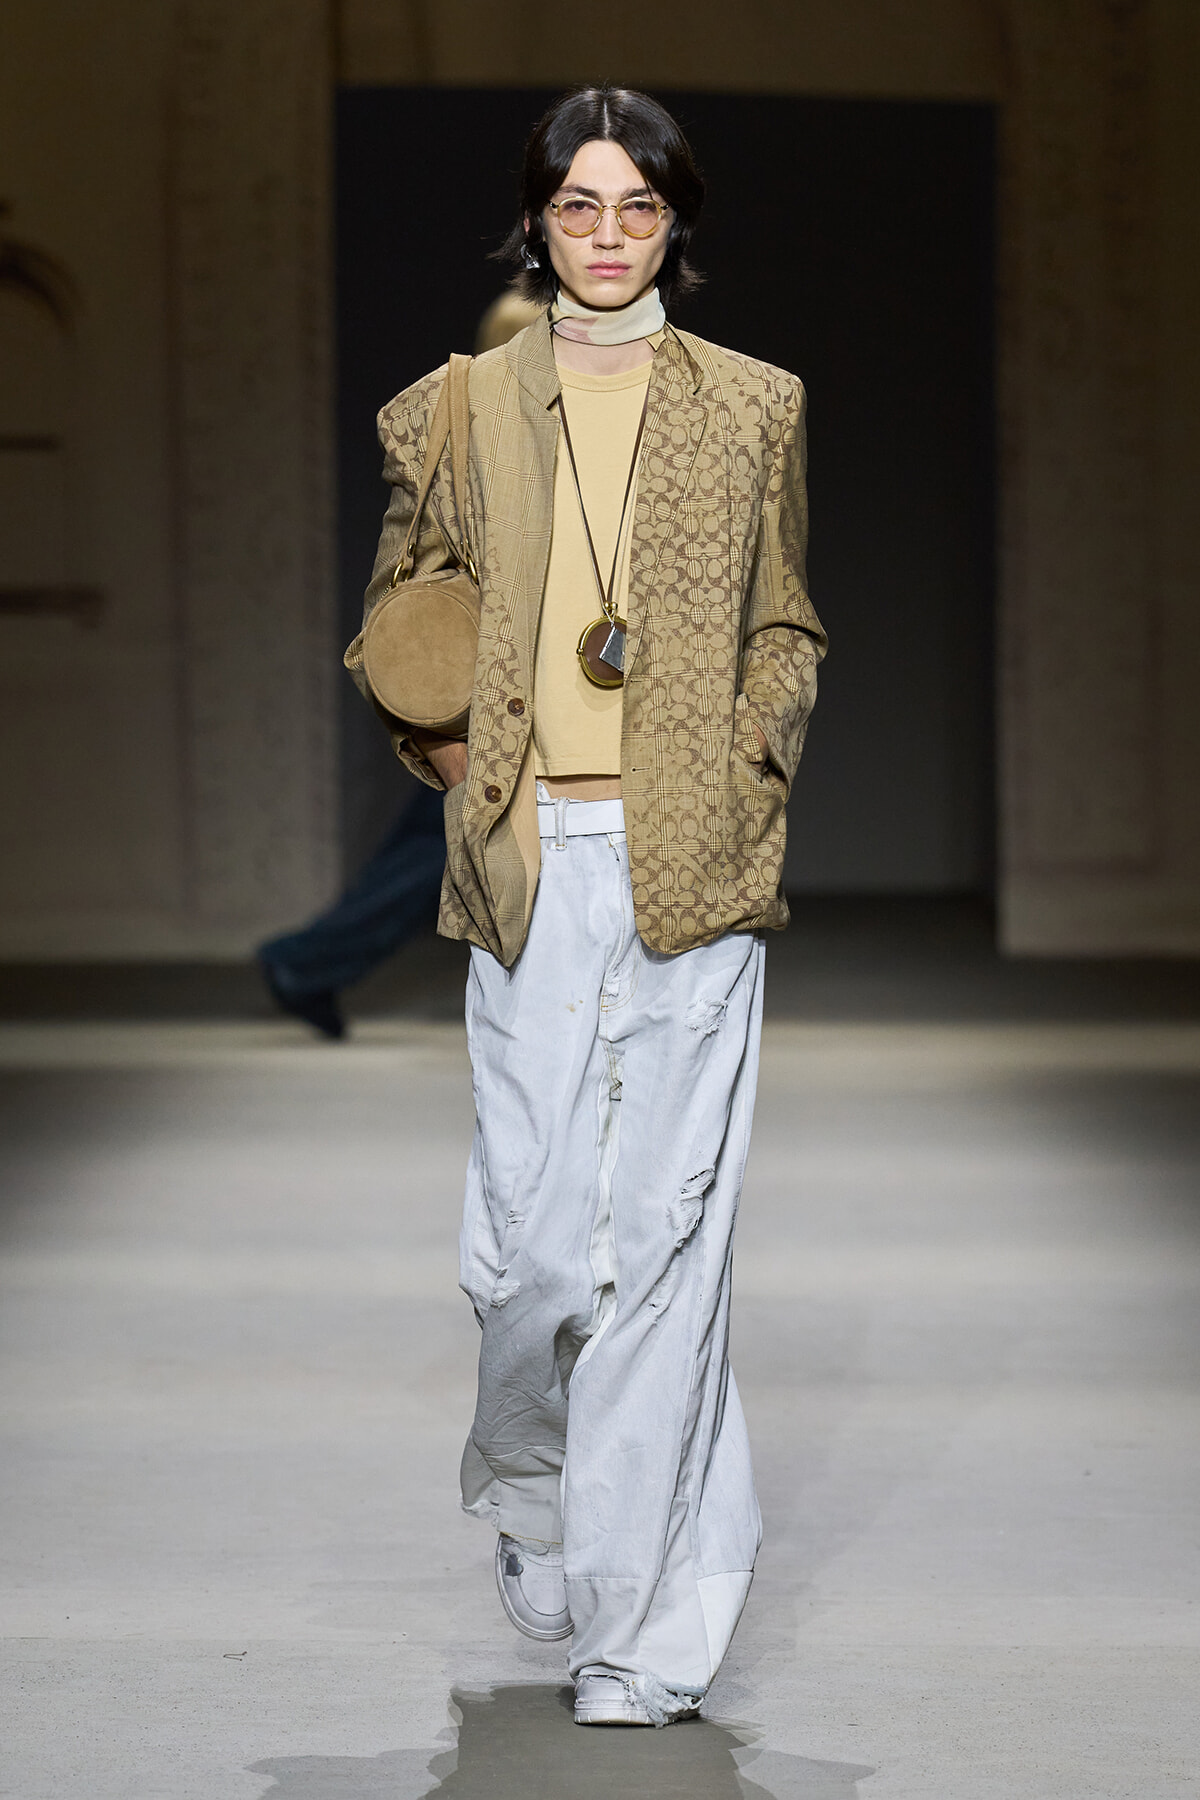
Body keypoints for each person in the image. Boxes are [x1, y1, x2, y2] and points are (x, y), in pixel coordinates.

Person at [346, 86, 826, 1727]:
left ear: (675, 222)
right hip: (532, 856)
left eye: (637, 206)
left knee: (667, 1245)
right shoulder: (455, 409)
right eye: (578, 204)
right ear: (537, 217)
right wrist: (458, 758)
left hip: (696, 857)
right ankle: (535, 1477)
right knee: (535, 1253)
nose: (607, 234)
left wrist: (752, 752)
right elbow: (397, 621)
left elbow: (787, 625)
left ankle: (640, 1634)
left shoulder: (757, 405)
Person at [257, 289, 542, 1039]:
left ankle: (307, 961)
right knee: (438, 854)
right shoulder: (489, 445)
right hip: (488, 692)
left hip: (482, 688)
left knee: (431, 850)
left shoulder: (490, 438)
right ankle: (306, 962)